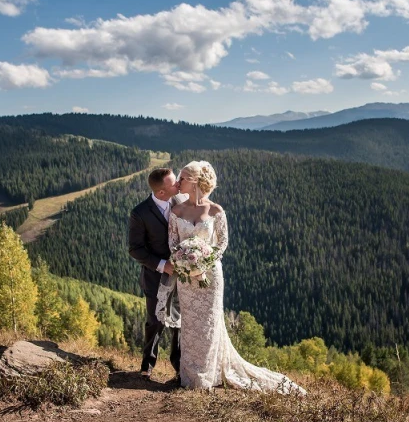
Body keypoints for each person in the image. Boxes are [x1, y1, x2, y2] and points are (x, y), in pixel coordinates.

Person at [156, 160, 306, 395]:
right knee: (191, 325)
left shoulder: (216, 211)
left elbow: (222, 244)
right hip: (187, 278)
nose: (179, 182)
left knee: (209, 323)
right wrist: (185, 264)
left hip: (211, 277)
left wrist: (204, 263)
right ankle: (191, 375)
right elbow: (173, 245)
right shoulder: (176, 211)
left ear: (195, 182)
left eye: (183, 178)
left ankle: (209, 372)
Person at [129, 167, 185, 380]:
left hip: (182, 275)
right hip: (155, 276)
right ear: (161, 192)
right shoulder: (140, 213)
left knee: (179, 322)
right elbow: (135, 249)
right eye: (173, 183)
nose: (178, 184)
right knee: (155, 320)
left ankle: (179, 365)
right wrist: (163, 264)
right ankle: (148, 364)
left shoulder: (180, 201)